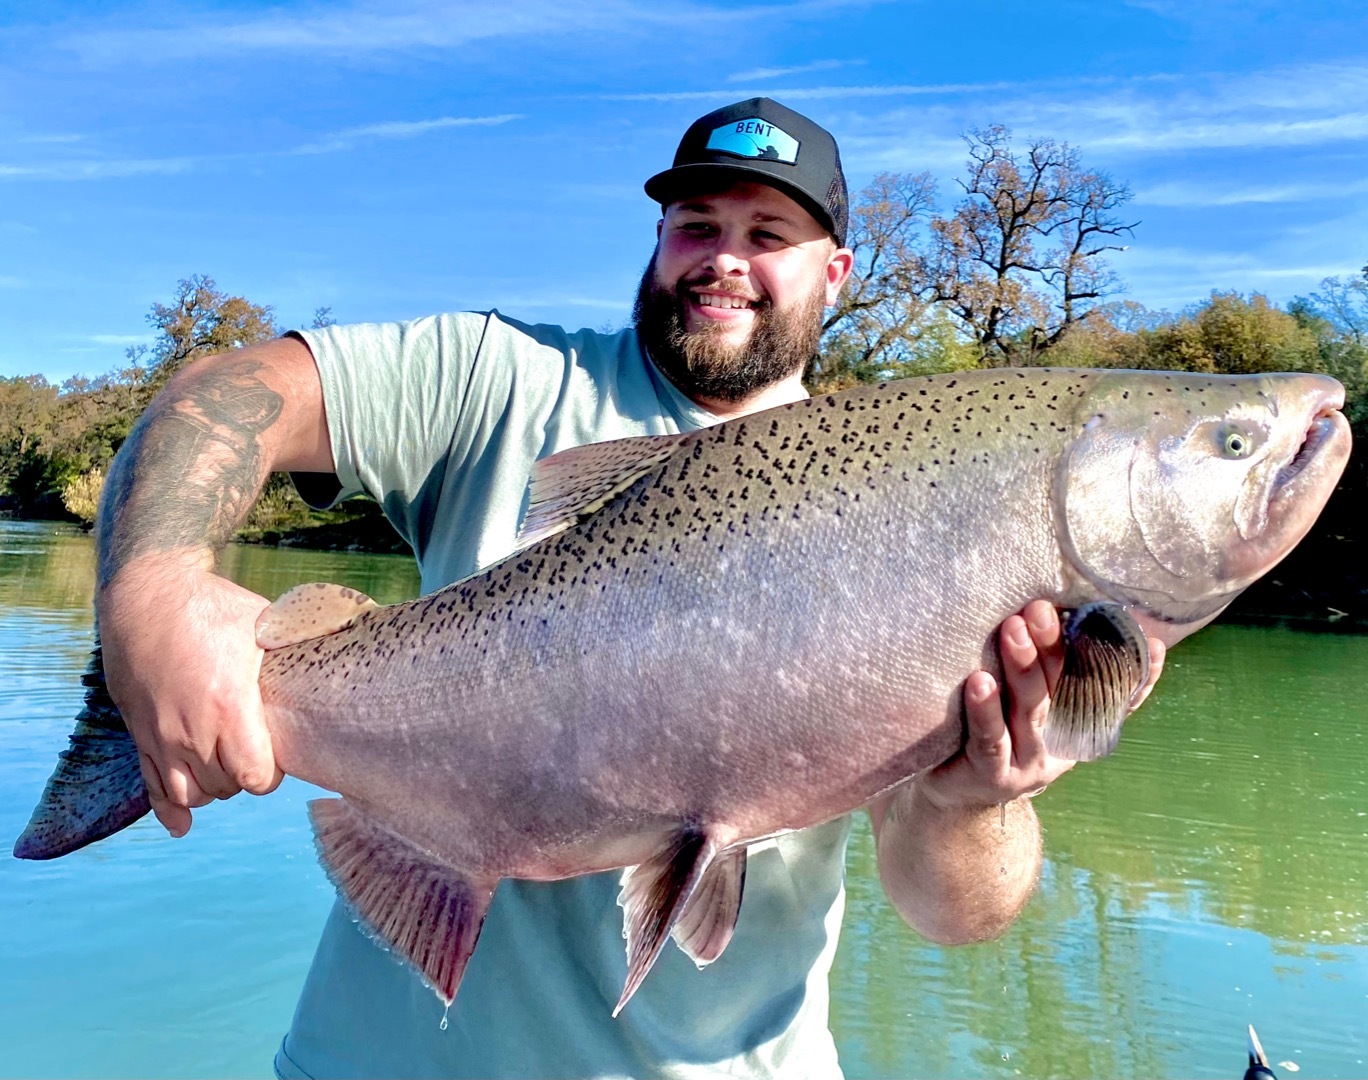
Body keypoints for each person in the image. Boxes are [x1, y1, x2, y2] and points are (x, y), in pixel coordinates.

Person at [94, 98, 1164, 1078]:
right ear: (658, 241)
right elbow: (232, 390)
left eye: (767, 236)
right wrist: (154, 599)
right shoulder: (499, 379)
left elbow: (953, 916)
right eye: (697, 224)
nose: (724, 260)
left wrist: (978, 795)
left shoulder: (916, 511)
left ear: (836, 271)